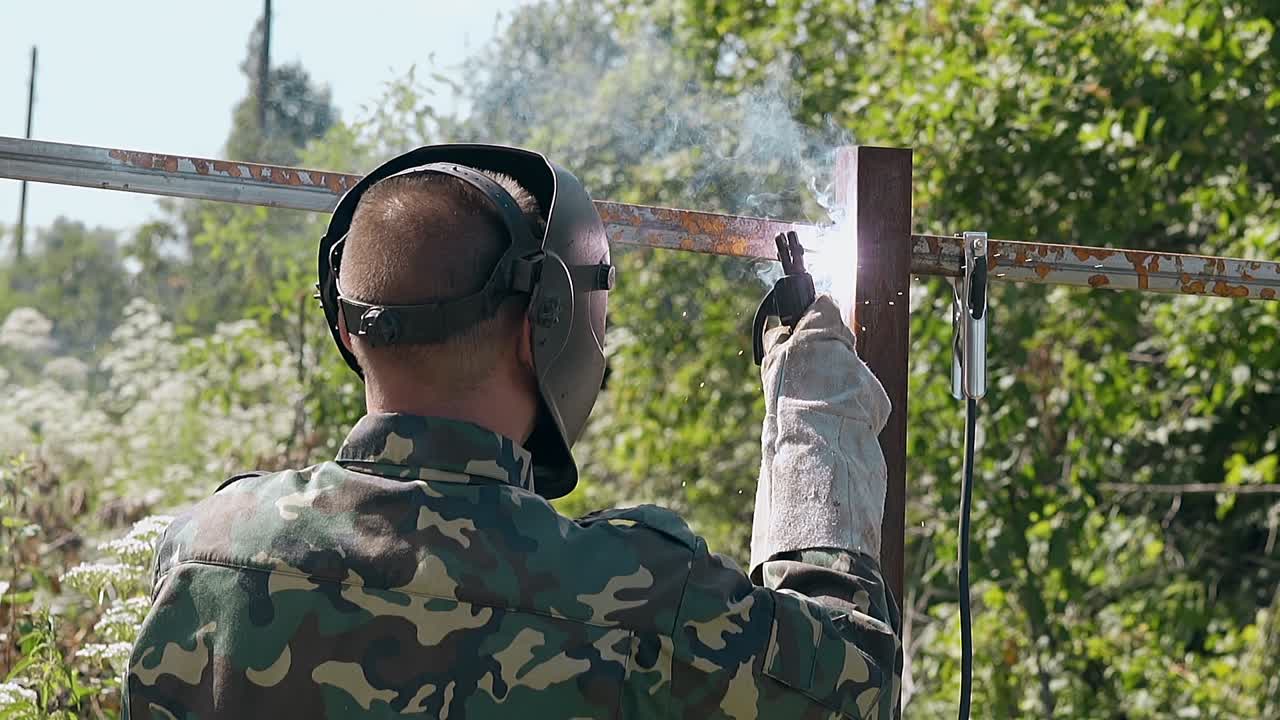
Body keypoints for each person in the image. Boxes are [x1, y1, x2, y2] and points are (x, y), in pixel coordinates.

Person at [125, 145, 901, 719]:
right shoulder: (639, 597)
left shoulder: (205, 558)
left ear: (347, 328)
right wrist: (815, 410)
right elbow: (855, 685)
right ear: (545, 324)